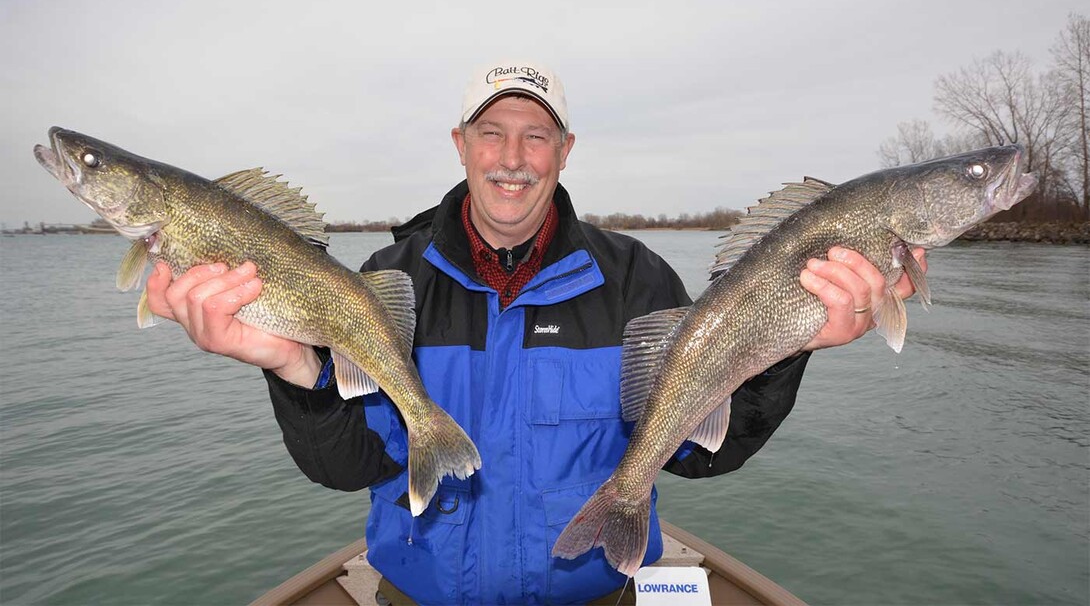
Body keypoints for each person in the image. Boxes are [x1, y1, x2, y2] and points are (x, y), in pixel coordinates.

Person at [145, 61, 926, 604]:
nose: (512, 157)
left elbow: (696, 452)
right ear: (461, 144)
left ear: (566, 150)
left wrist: (788, 346)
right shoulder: (386, 279)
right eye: (492, 132)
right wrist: (288, 362)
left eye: (537, 134)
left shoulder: (638, 281)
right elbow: (349, 463)